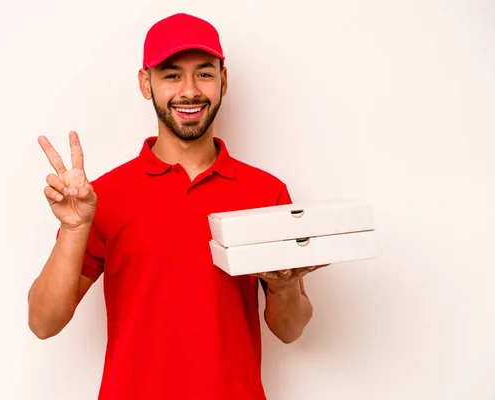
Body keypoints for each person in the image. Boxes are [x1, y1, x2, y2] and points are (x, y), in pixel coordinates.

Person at [28, 12, 326, 400]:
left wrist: (285, 288)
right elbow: (43, 322)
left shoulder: (265, 193)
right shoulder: (104, 196)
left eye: (204, 73)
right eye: (171, 75)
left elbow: (289, 330)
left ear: (224, 79)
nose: (189, 91)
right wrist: (73, 229)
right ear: (144, 83)